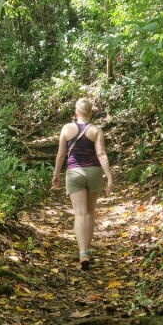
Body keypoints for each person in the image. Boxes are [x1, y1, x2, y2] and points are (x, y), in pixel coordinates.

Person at [51, 97, 113, 269]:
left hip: (74, 173)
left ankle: (82, 252)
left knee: (79, 214)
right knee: (90, 212)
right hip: (93, 172)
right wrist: (108, 175)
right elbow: (101, 154)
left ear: (75, 113)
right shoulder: (96, 130)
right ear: (91, 113)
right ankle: (88, 249)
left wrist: (56, 174)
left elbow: (60, 154)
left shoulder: (66, 128)